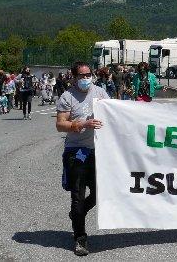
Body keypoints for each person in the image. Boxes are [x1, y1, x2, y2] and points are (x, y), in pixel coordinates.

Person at [55, 61, 109, 256]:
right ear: (74, 77)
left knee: (100, 192)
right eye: (81, 76)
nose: (85, 78)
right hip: (76, 150)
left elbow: (112, 114)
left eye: (88, 75)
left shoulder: (101, 92)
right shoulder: (67, 96)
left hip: (98, 150)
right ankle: (80, 237)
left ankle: (77, 213)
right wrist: (83, 124)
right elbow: (60, 125)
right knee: (77, 195)